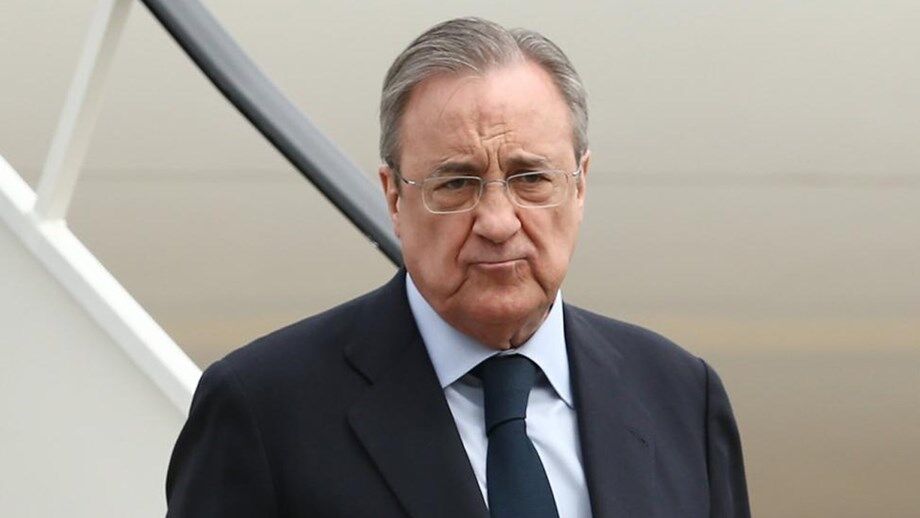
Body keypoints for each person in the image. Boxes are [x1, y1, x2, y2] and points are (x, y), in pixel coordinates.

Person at [166, 17, 750, 518]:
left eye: (530, 178)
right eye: (456, 183)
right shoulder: (265, 409)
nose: (497, 221)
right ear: (395, 198)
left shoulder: (681, 396)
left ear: (580, 185)